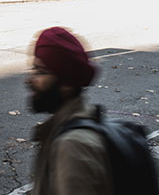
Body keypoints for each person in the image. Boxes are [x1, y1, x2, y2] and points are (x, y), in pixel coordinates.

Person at [25, 26, 112, 194]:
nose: (30, 80)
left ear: (67, 84)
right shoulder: (70, 126)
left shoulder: (72, 146)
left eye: (40, 72)